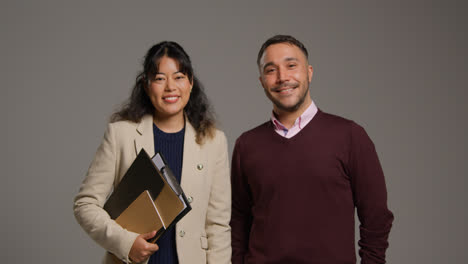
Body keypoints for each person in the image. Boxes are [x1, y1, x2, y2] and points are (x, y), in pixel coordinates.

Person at [230, 35, 394, 264]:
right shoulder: (247, 145)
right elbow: (239, 221)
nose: (282, 77)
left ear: (309, 72)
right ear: (261, 81)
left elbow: (376, 218)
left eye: (291, 65)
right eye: (271, 70)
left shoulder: (350, 136)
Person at [74, 41, 231, 264]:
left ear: (191, 83)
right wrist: (126, 243)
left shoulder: (213, 142)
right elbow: (85, 204)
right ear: (146, 86)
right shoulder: (120, 135)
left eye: (179, 77)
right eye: (159, 78)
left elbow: (218, 224)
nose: (170, 87)